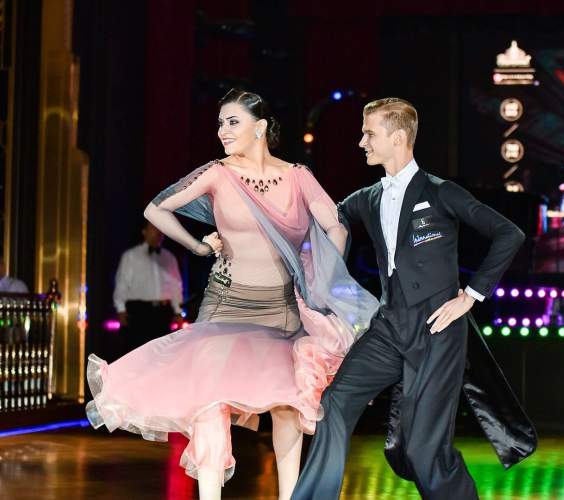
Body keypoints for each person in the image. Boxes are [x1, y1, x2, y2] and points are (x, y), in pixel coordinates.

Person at [85, 89, 379, 500]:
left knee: (287, 406)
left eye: (232, 122)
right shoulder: (218, 173)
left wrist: (319, 279)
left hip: (281, 308)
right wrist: (198, 246)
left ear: (260, 128)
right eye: (220, 123)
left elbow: (336, 226)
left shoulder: (298, 176)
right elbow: (156, 209)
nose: (222, 130)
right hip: (225, 304)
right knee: (210, 402)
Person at [291, 98, 536, 500]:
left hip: (438, 331)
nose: (361, 142)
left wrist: (470, 296)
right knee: (333, 403)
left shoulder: (441, 192)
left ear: (398, 137)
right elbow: (325, 219)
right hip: (389, 327)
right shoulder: (369, 197)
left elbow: (509, 234)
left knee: (424, 452)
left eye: (369, 133)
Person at [113, 220, 183, 352]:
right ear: (144, 232)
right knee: (138, 352)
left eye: (160, 228)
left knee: (162, 353)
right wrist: (121, 310)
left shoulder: (169, 258)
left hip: (162, 313)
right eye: (153, 228)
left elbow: (176, 287)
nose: (158, 232)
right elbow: (122, 284)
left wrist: (178, 312)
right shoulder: (131, 256)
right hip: (139, 313)